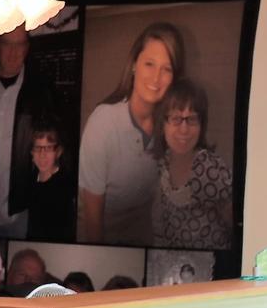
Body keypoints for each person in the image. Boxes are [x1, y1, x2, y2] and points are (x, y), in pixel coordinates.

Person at [79, 22, 184, 244]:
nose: (156, 78)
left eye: (166, 69)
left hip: (142, 239)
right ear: (134, 64)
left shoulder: (171, 128)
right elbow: (92, 222)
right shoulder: (103, 122)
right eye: (149, 64)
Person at [0, 27, 47, 238]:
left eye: (20, 44)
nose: (13, 52)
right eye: (8, 43)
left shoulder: (39, 93)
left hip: (19, 210)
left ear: (27, 48)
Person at [151, 78, 231, 250]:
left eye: (192, 119)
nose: (184, 129)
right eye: (176, 119)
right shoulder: (163, 162)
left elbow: (236, 221)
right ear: (163, 124)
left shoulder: (208, 168)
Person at [25, 120, 77, 239]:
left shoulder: (64, 187)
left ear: (58, 152)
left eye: (48, 148)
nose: (42, 154)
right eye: (38, 148)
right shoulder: (33, 177)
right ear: (32, 153)